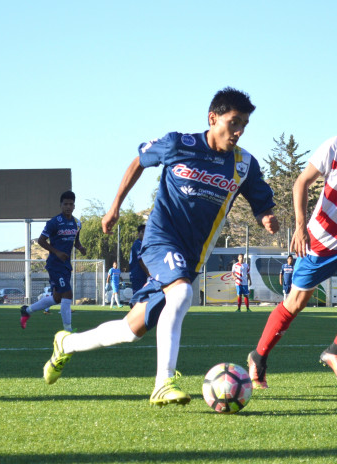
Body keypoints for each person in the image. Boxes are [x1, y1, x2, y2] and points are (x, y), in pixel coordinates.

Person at [41, 87, 279, 407]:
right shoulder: (179, 143)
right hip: (160, 239)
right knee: (181, 294)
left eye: (244, 125)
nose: (238, 131)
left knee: (130, 330)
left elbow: (261, 200)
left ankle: (66, 345)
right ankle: (163, 382)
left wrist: (267, 217)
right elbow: (138, 161)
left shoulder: (243, 164)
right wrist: (114, 207)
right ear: (213, 119)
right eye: (233, 122)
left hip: (192, 256)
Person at [246, 86, 337, 389]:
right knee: (295, 304)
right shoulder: (335, 146)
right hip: (321, 239)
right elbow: (301, 183)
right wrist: (301, 227)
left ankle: (335, 351)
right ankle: (259, 357)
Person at [20, 190, 87, 332]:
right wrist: (56, 252)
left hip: (66, 265)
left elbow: (76, 241)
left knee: (57, 298)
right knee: (68, 294)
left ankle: (27, 310)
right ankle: (67, 331)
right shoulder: (54, 222)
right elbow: (41, 240)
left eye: (71, 204)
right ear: (61, 205)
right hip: (55, 265)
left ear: (74, 206)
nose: (68, 206)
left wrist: (80, 247)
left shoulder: (77, 223)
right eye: (65, 204)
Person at [129, 224, 150, 294]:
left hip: (142, 275)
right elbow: (141, 260)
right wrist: (149, 273)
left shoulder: (144, 244)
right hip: (137, 275)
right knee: (138, 297)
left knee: (142, 297)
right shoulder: (138, 244)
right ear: (138, 234)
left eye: (146, 232)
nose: (144, 234)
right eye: (142, 232)